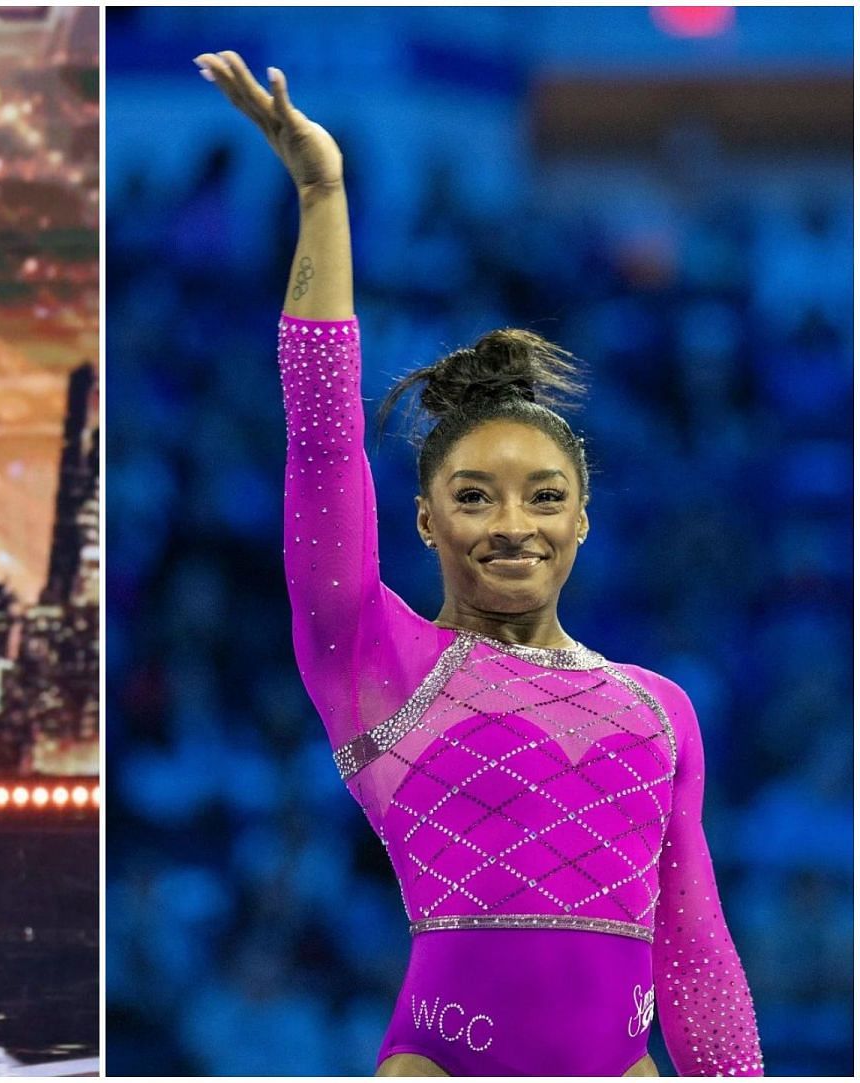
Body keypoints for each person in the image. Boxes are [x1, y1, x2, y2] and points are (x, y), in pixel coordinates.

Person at [199, 51, 762, 1076]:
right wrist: (323, 194)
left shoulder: (658, 709)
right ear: (423, 523)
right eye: (473, 495)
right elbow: (323, 440)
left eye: (546, 497)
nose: (514, 524)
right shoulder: (378, 662)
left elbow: (698, 959)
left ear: (584, 521)